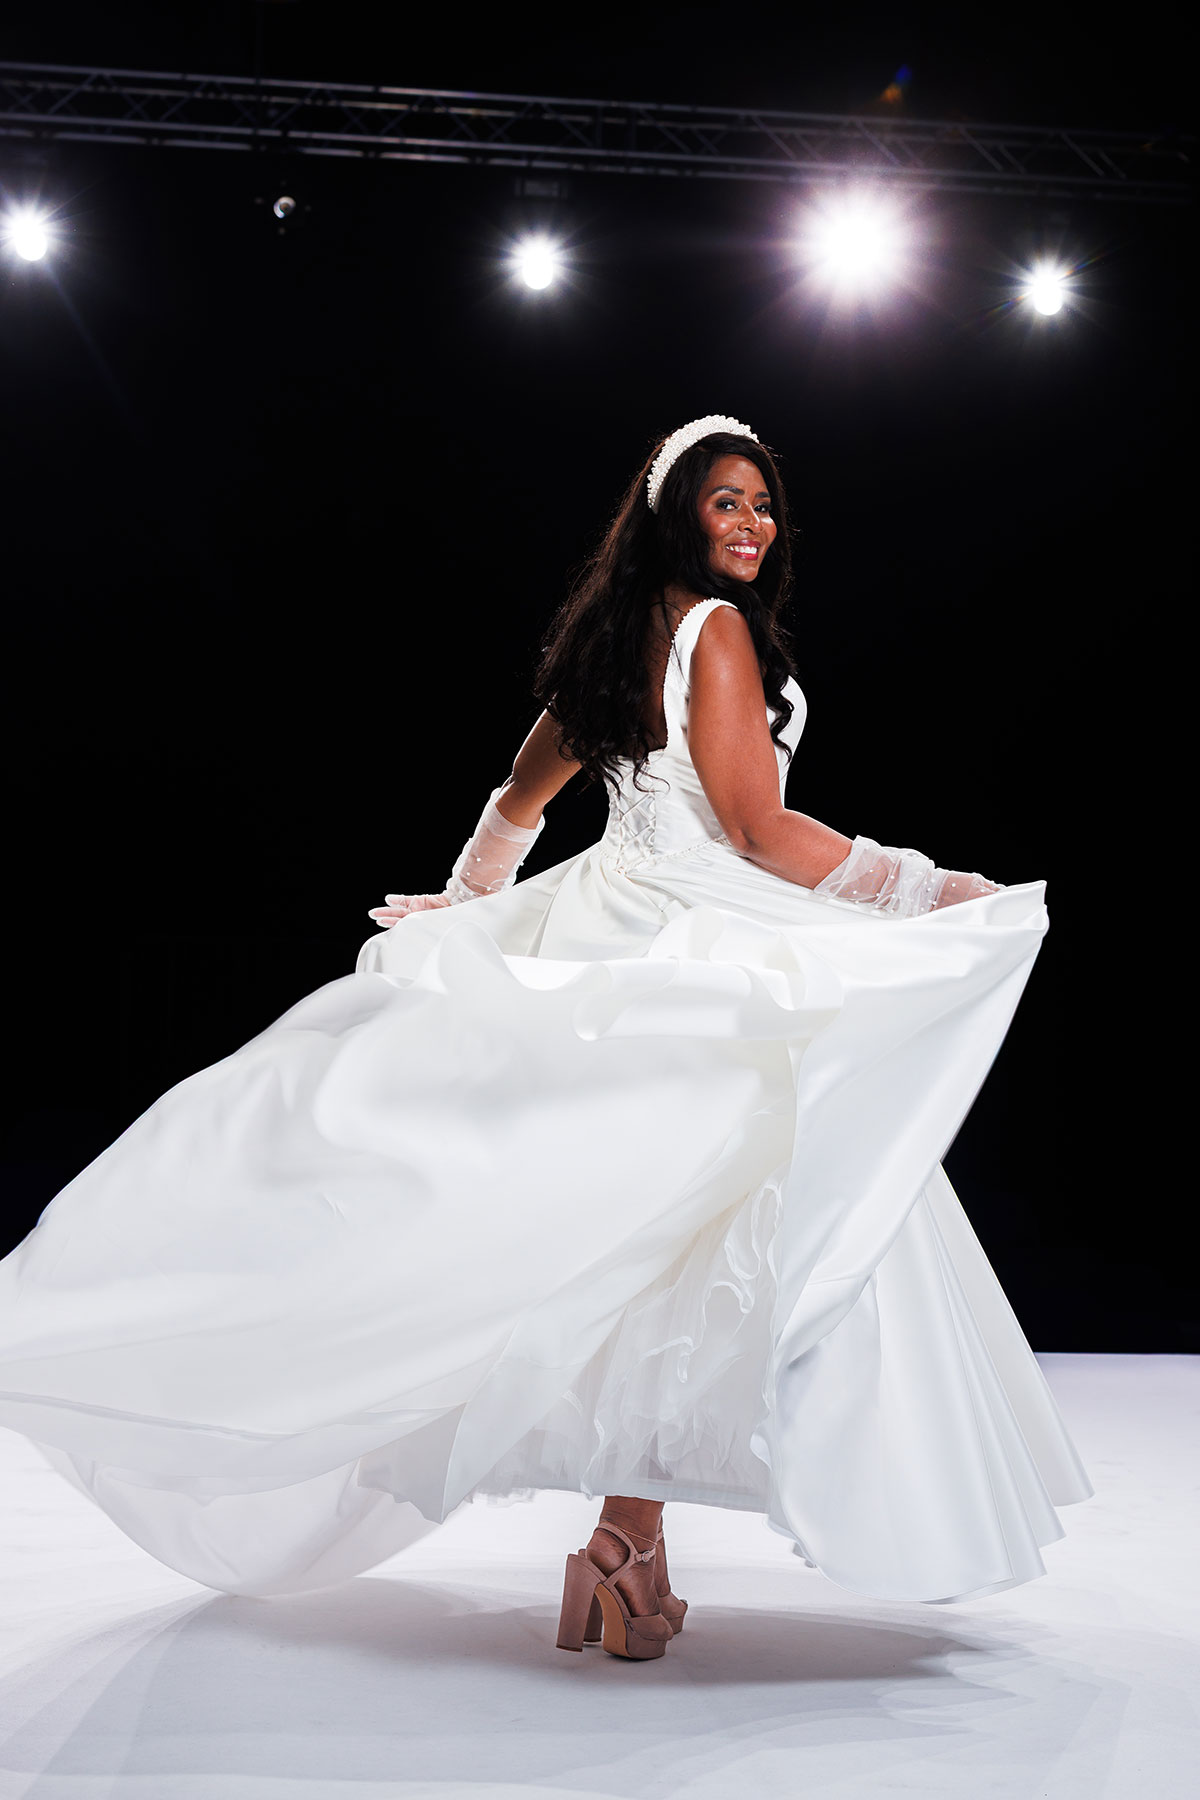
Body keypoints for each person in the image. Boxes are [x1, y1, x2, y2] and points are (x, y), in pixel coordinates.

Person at [0, 415, 1090, 1663]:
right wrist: (935, 886)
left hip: (610, 927)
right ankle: (626, 1548)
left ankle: (628, 1550)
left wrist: (473, 907)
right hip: (700, 937)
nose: (751, 525)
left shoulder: (618, 642)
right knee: (738, 1214)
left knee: (654, 1230)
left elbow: (517, 802)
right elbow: (753, 832)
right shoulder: (715, 633)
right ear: (675, 512)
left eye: (764, 507)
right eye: (726, 503)